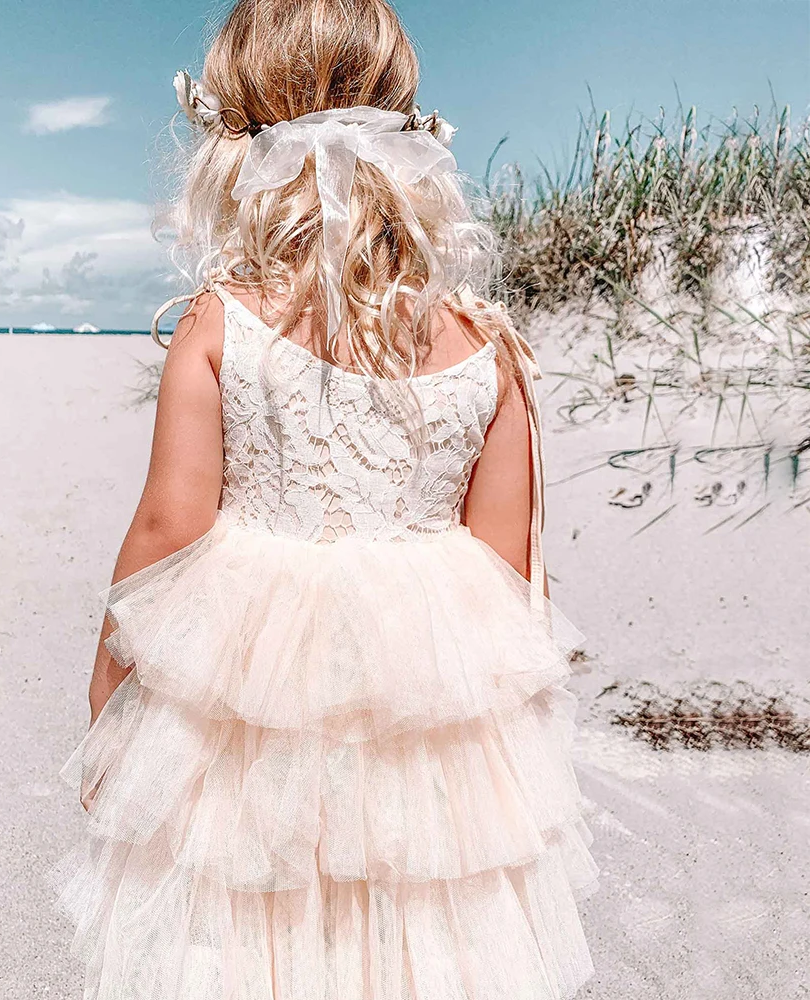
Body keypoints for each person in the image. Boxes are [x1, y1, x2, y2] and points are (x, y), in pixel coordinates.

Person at [50, 1, 598, 996]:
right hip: (425, 729)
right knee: (417, 941)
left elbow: (169, 529)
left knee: (245, 935)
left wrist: (109, 699)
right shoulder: (488, 346)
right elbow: (510, 571)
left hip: (248, 716)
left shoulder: (222, 322)